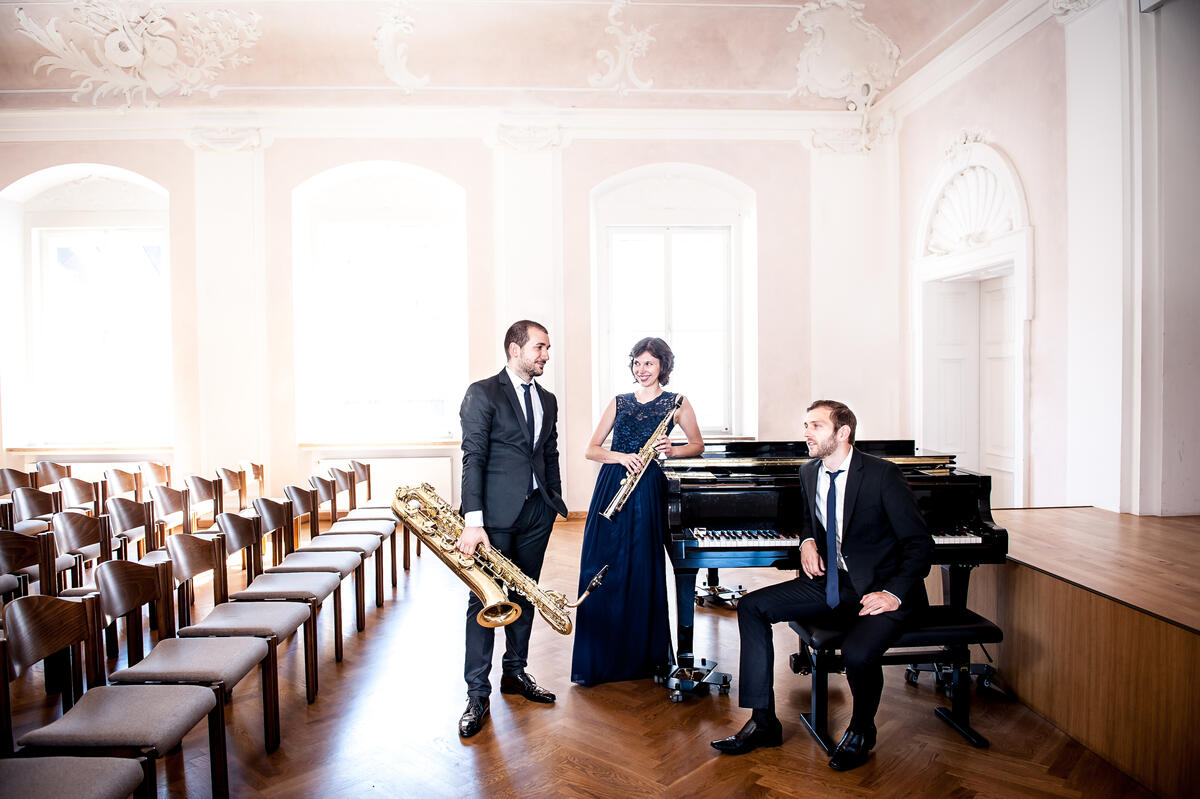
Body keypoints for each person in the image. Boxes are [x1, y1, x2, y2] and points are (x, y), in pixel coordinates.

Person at [710, 400, 932, 771]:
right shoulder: (809, 471)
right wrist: (806, 541)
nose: (806, 432)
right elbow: (811, 518)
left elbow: (919, 544)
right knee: (751, 607)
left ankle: (862, 730)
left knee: (858, 654)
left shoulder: (881, 475)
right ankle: (763, 721)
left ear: (843, 432)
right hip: (834, 584)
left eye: (815, 425)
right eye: (805, 425)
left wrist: (892, 594)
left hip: (882, 591)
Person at [455, 320, 569, 738]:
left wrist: (554, 499)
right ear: (514, 349)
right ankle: (476, 694)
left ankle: (515, 673)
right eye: (539, 347)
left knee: (528, 593)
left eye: (548, 348)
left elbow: (550, 451)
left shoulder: (548, 400)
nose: (545, 355)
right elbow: (473, 458)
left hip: (538, 512)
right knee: (485, 602)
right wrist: (473, 521)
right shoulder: (482, 393)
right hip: (494, 519)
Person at [570, 337, 704, 686]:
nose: (642, 370)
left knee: (642, 565)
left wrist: (672, 451)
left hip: (647, 487)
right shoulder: (619, 401)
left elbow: (697, 445)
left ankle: (642, 657)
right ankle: (601, 657)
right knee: (603, 564)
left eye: (649, 363)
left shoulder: (677, 403)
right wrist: (621, 456)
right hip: (613, 484)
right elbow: (591, 450)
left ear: (663, 366)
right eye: (637, 363)